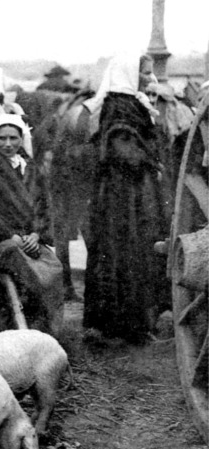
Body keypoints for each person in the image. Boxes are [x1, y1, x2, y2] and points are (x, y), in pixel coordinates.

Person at [82, 54, 169, 343]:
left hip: (133, 191)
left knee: (137, 252)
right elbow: (121, 149)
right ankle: (123, 326)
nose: (150, 78)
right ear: (130, 74)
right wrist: (149, 159)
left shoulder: (133, 104)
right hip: (122, 196)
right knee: (124, 251)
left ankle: (134, 323)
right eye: (145, 73)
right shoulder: (119, 107)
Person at [0, 113, 64, 335]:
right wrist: (10, 236)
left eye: (13, 138)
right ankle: (27, 329)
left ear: (21, 138)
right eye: (2, 138)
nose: (8, 144)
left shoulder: (31, 168)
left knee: (52, 266)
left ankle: (45, 331)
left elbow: (42, 206)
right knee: (26, 267)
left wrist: (36, 235)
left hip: (27, 239)